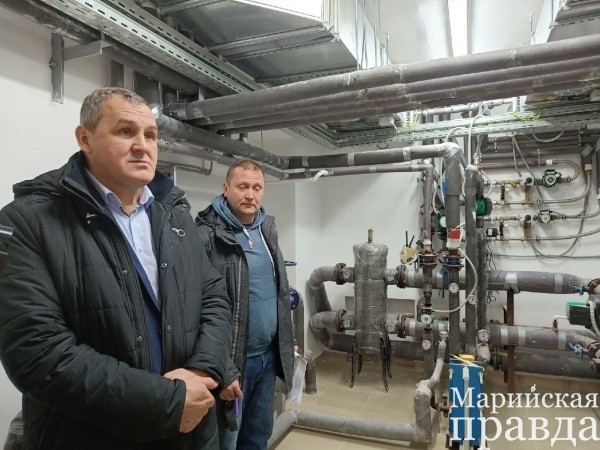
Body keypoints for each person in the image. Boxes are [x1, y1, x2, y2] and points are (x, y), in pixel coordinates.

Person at [0, 87, 232, 450]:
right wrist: (166, 402)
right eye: (126, 131)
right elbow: (36, 352)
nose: (142, 145)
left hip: (188, 433)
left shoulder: (175, 215)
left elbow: (214, 297)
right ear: (85, 138)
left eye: (150, 135)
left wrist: (202, 370)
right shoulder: (27, 221)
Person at [196, 159, 295, 450]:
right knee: (226, 441)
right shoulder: (205, 235)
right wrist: (223, 368)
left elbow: (278, 294)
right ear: (225, 188)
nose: (250, 195)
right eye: (242, 187)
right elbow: (195, 311)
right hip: (232, 365)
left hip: (266, 359)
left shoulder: (266, 230)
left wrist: (285, 342)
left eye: (257, 187)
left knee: (257, 437)